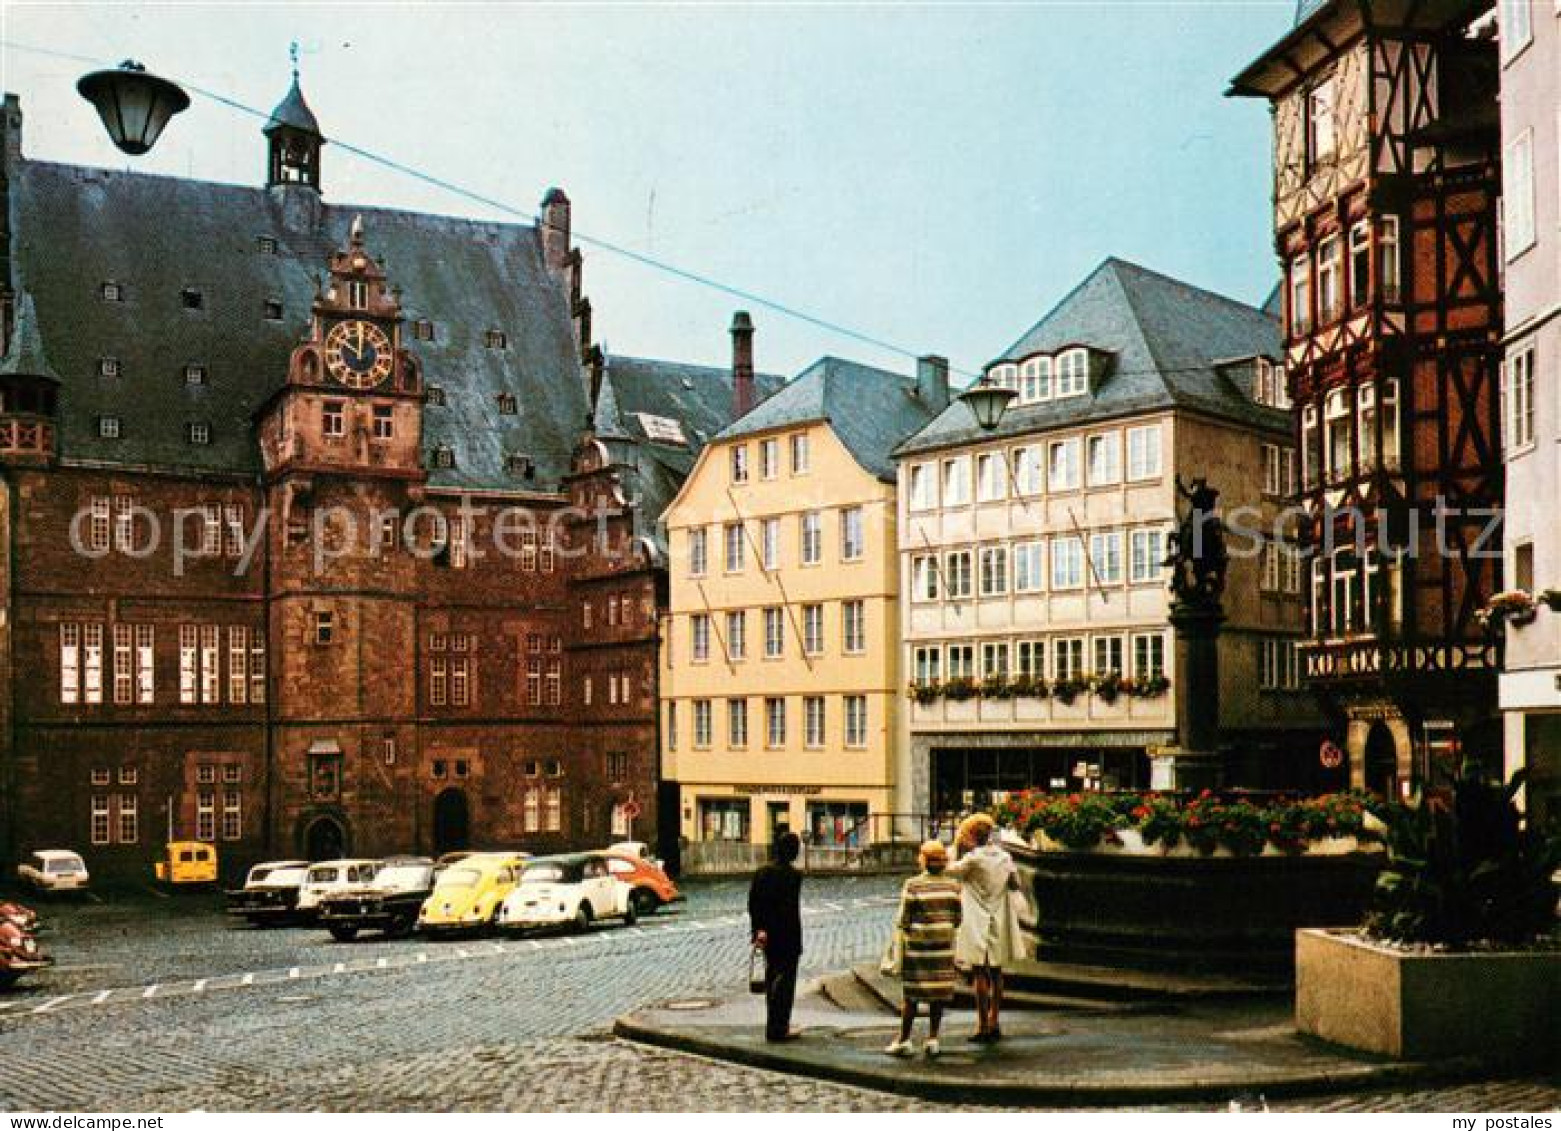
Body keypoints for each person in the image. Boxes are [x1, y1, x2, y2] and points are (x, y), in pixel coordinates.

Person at [947, 813, 1024, 1043]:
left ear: (972, 836)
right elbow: (1015, 884)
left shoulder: (972, 859)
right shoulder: (1004, 857)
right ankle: (994, 1019)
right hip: (999, 915)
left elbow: (950, 870)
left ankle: (982, 1024)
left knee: (979, 971)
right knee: (997, 971)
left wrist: (959, 849)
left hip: (976, 917)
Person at [885, 839, 962, 1058]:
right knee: (937, 996)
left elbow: (904, 918)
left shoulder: (913, 885)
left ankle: (904, 1039)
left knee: (911, 996)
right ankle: (933, 1038)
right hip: (943, 947)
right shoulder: (954, 886)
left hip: (918, 948)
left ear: (924, 860)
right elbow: (958, 918)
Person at [747, 831, 804, 1042]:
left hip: (769, 937)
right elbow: (790, 910)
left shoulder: (762, 872)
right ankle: (780, 1028)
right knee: (786, 985)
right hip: (789, 937)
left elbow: (753, 904)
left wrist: (759, 930)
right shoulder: (794, 876)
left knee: (772, 981)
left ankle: (773, 1026)